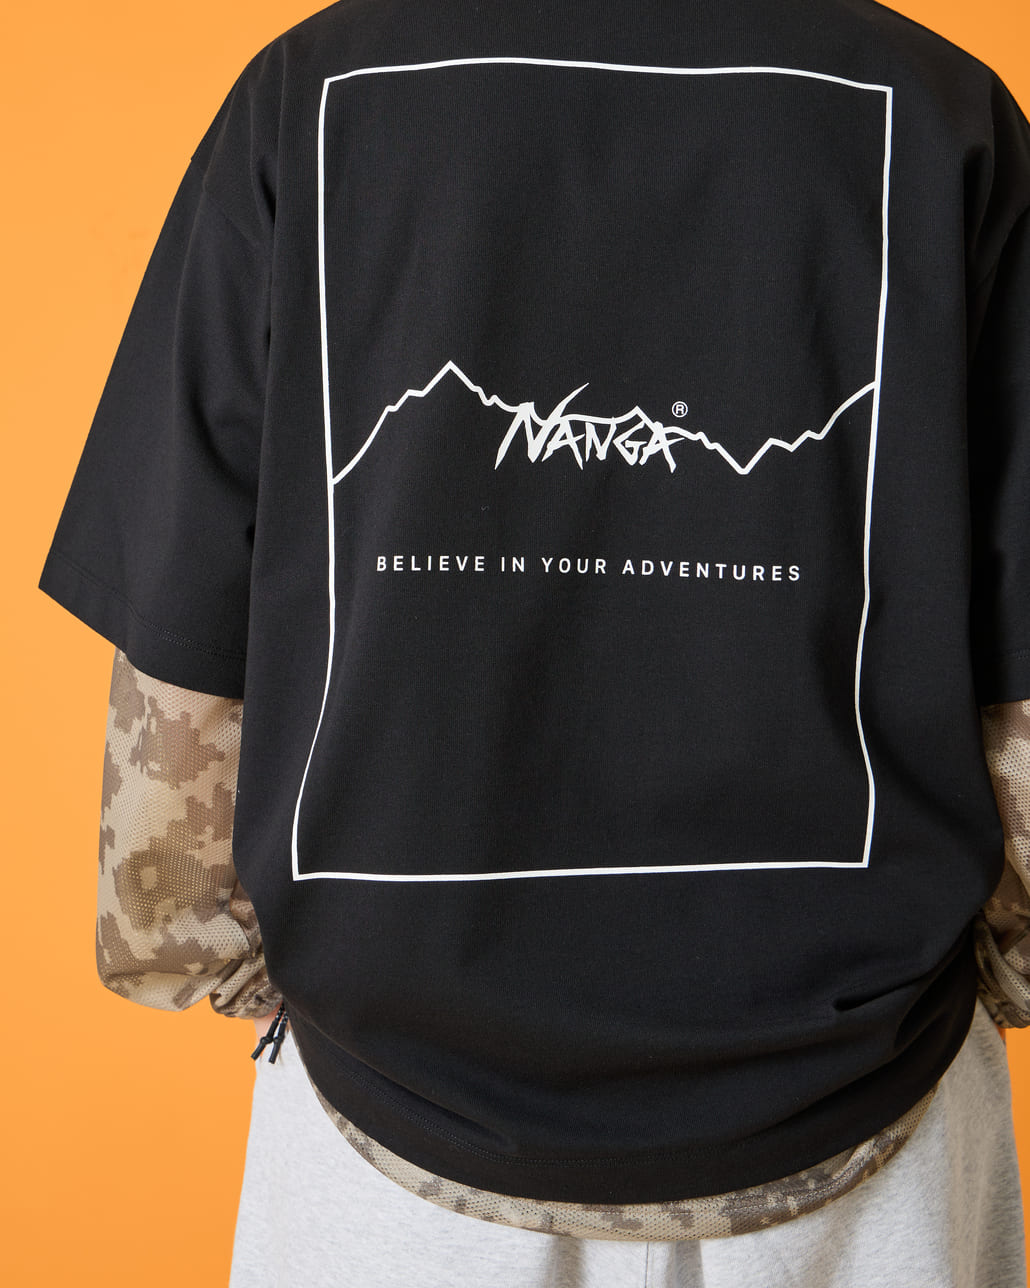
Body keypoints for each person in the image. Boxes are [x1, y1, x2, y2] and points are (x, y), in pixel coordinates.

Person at [41, 0, 1030, 1283]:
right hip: (864, 1114)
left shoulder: (313, 90)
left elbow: (184, 609)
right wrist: (1001, 959)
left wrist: (199, 944)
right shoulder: (939, 109)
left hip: (390, 1136)